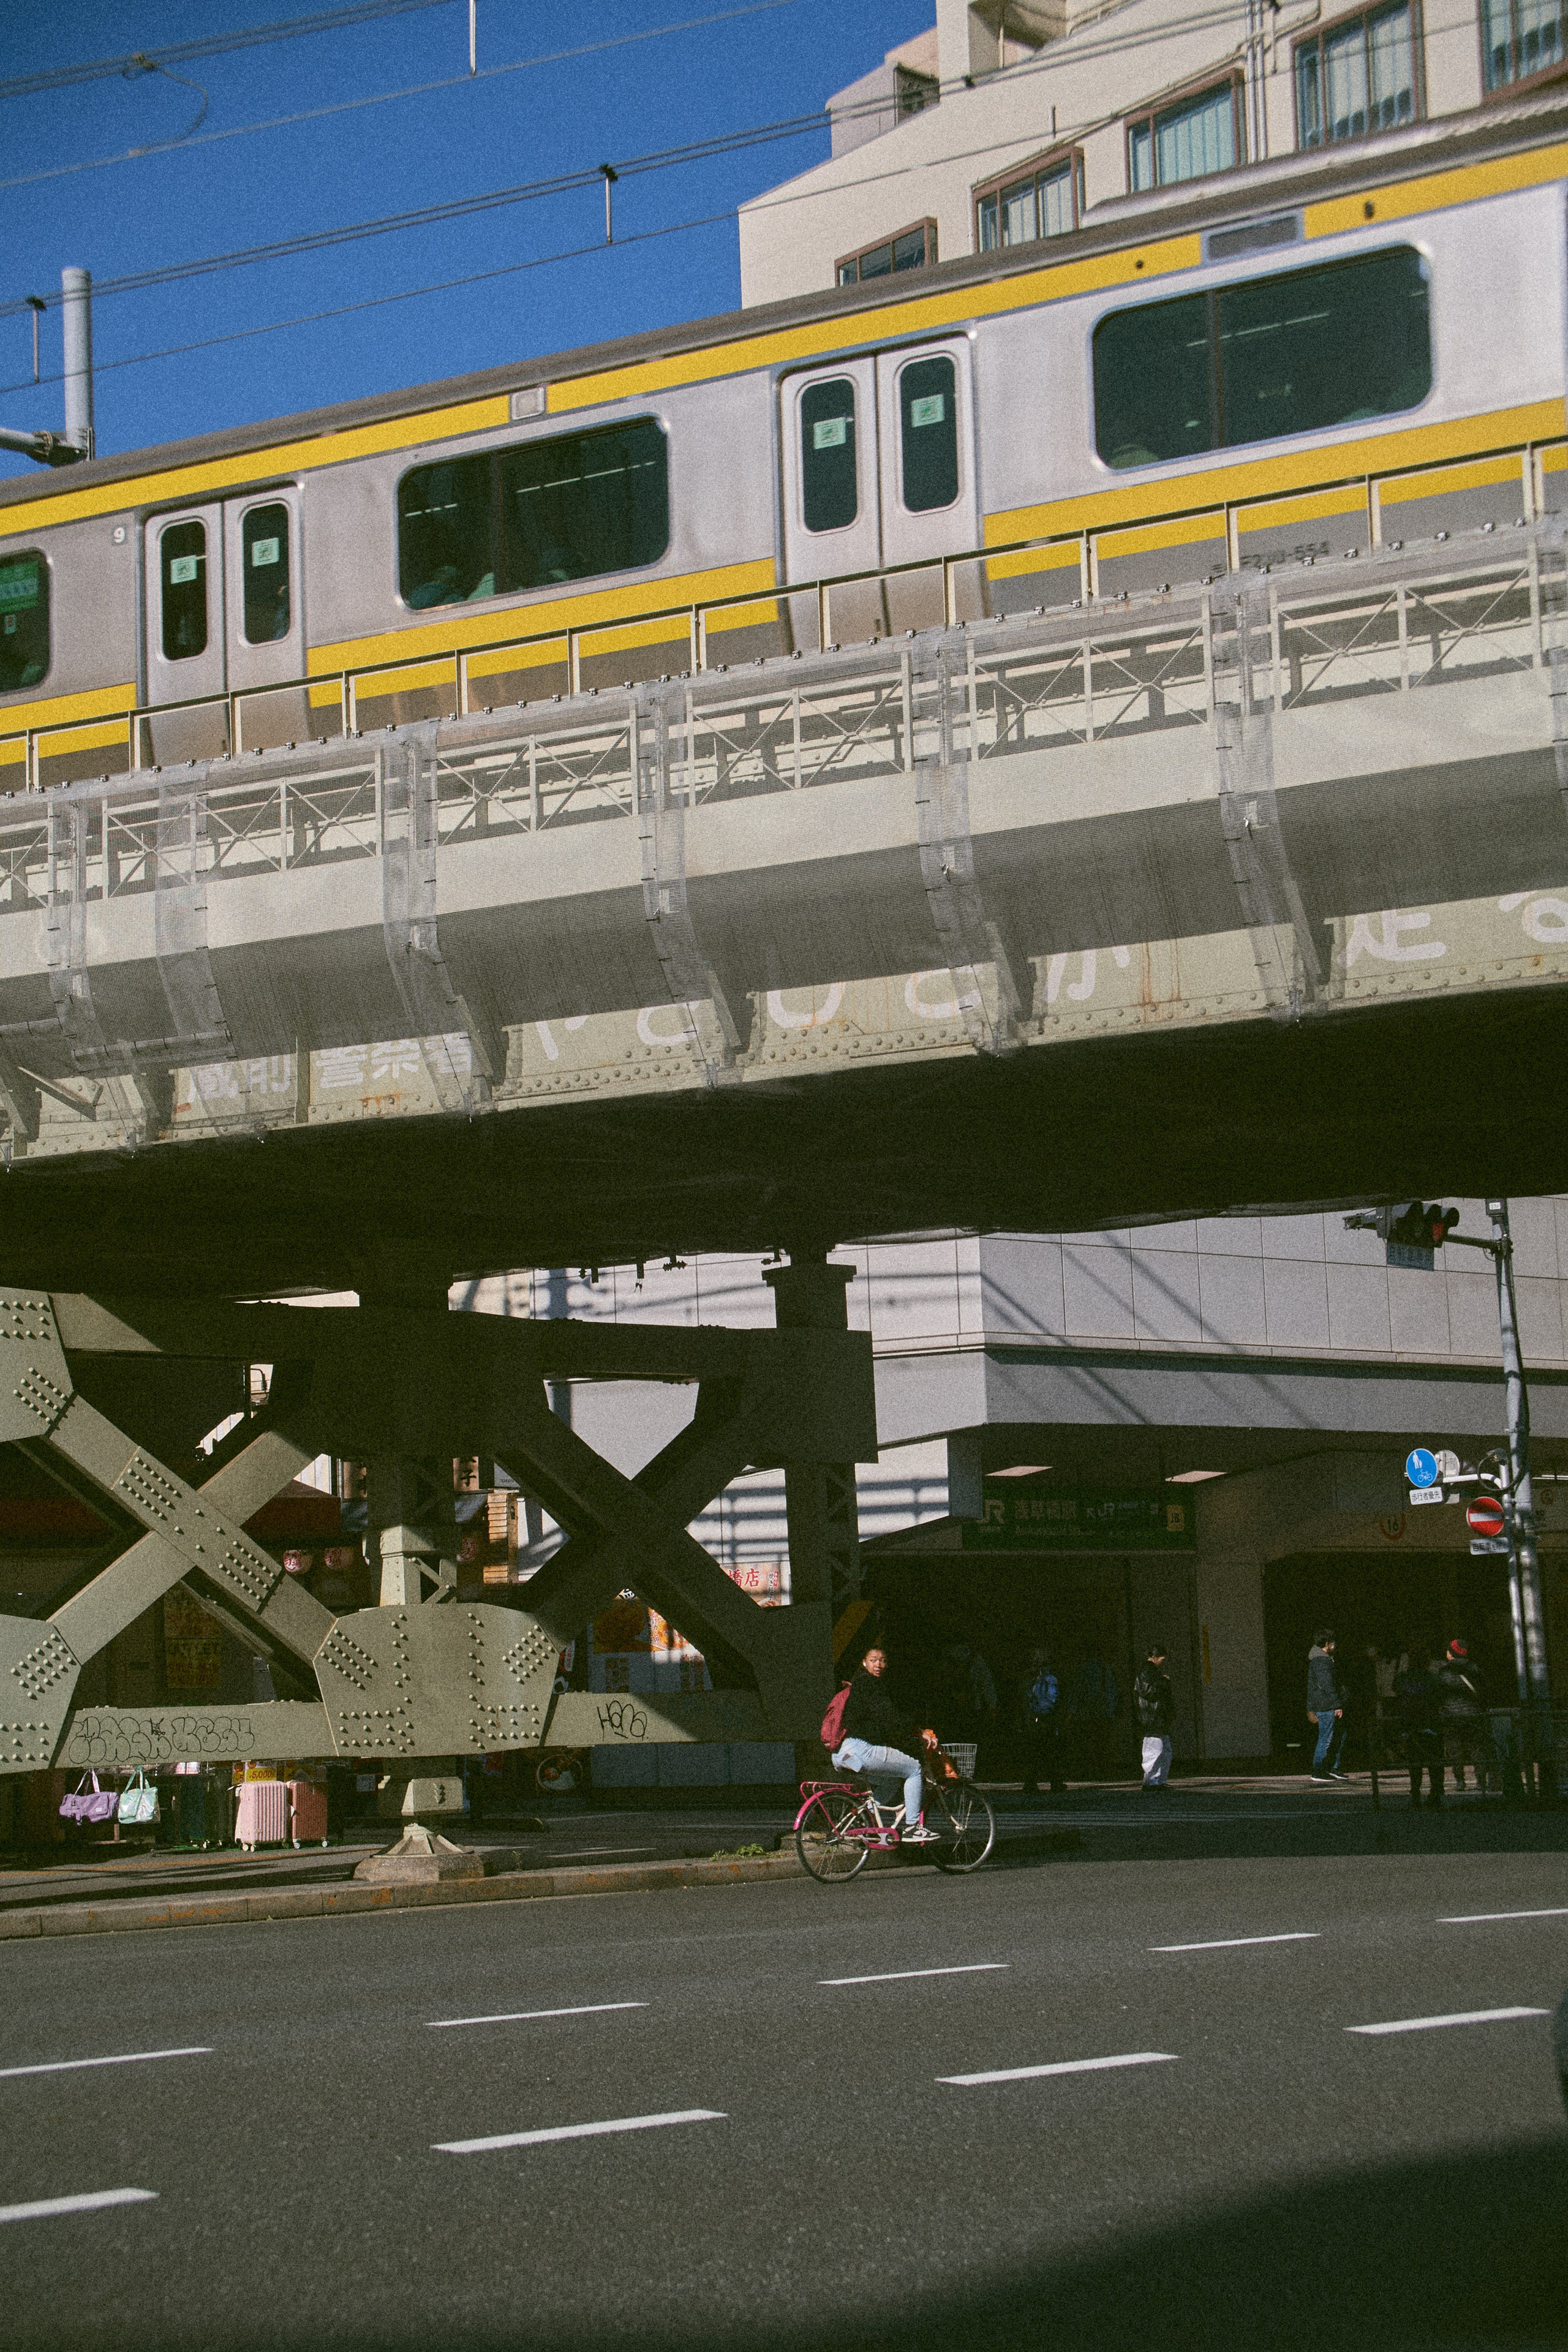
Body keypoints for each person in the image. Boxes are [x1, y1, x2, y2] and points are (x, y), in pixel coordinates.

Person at [832, 1643, 941, 1844]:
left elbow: (879, 1723)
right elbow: (888, 1716)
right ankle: (913, 1827)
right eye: (873, 1660)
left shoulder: (859, 1685)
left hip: (843, 1752)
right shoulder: (870, 1684)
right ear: (865, 1663)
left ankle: (870, 1824)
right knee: (915, 1770)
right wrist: (919, 1732)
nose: (878, 1664)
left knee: (890, 1782)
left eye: (882, 1660)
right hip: (861, 1750)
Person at [1434, 1638, 1491, 1796]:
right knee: (1477, 1748)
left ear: (1452, 1653)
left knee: (1455, 1750)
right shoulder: (1474, 1669)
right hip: (1473, 1714)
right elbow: (1484, 1690)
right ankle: (1481, 1781)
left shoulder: (1444, 1672)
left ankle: (1460, 1781)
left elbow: (1438, 1694)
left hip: (1451, 1716)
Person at [1394, 1652, 1444, 1807]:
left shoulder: (1402, 1678)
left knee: (1415, 1762)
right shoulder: (1433, 1678)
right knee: (1434, 1761)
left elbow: (1395, 1689)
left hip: (1410, 1723)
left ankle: (1415, 1793)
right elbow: (1440, 1694)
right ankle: (1435, 1793)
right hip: (1430, 1722)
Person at [1019, 1646, 1065, 1796]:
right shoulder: (1048, 1679)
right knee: (1049, 1750)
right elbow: (1052, 1698)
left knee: (1036, 1750)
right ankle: (1054, 1782)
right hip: (1043, 1717)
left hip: (1033, 1718)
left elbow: (1024, 1698)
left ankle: (1033, 1783)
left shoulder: (1029, 1679)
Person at [1066, 1647, 1119, 1779]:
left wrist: (1072, 1710)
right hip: (1104, 1712)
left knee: (1086, 1742)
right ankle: (1102, 1770)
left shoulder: (1084, 1669)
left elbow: (1078, 1690)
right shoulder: (1106, 1670)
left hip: (1087, 1712)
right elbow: (1112, 1692)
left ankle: (1087, 1770)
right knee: (1102, 1743)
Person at [1306, 1629, 1347, 1779]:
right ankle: (1318, 1770)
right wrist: (1337, 1704)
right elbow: (1327, 1685)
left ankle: (1331, 1767)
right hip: (1327, 1705)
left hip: (1328, 1704)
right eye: (1333, 1642)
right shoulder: (1321, 1662)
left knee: (1338, 1736)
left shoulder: (1324, 1660)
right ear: (1328, 1644)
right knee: (1326, 1738)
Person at [1134, 1644, 1175, 1789]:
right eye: (1161, 1657)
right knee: (1156, 1749)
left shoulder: (1148, 1672)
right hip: (1154, 1716)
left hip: (1155, 1716)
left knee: (1160, 1748)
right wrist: (1164, 1682)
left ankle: (1156, 1780)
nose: (1164, 1659)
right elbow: (1149, 1692)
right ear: (1154, 1657)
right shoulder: (1148, 1672)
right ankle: (1152, 1780)